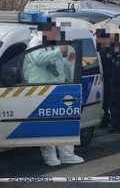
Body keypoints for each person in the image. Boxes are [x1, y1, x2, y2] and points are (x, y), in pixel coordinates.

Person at [23, 22, 84, 166]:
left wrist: (69, 63)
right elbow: (38, 60)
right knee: (47, 124)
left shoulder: (53, 46)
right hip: (40, 89)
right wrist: (59, 52)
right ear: (46, 31)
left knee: (63, 123)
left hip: (57, 89)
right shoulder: (35, 44)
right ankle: (50, 157)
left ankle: (67, 155)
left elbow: (59, 67)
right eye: (55, 31)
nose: (58, 34)